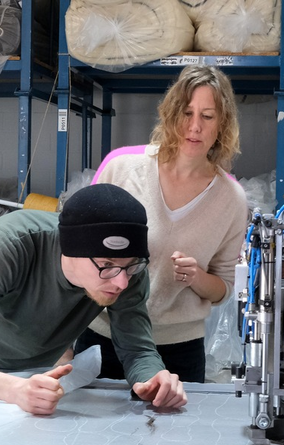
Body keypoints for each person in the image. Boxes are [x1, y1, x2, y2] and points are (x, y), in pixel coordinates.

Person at [0, 183, 187, 415]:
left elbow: (137, 349)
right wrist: (13, 389)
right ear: (70, 251)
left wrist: (152, 378)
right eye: (107, 265)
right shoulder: (12, 245)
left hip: (22, 373)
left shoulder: (128, 269)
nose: (122, 281)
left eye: (130, 266)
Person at [77, 64, 247, 383]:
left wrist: (197, 277)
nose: (194, 126)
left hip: (178, 351)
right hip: (105, 337)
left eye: (207, 116)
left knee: (174, 434)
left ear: (222, 124)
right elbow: (76, 254)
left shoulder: (232, 200)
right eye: (186, 112)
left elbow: (224, 289)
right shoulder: (122, 170)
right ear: (170, 114)